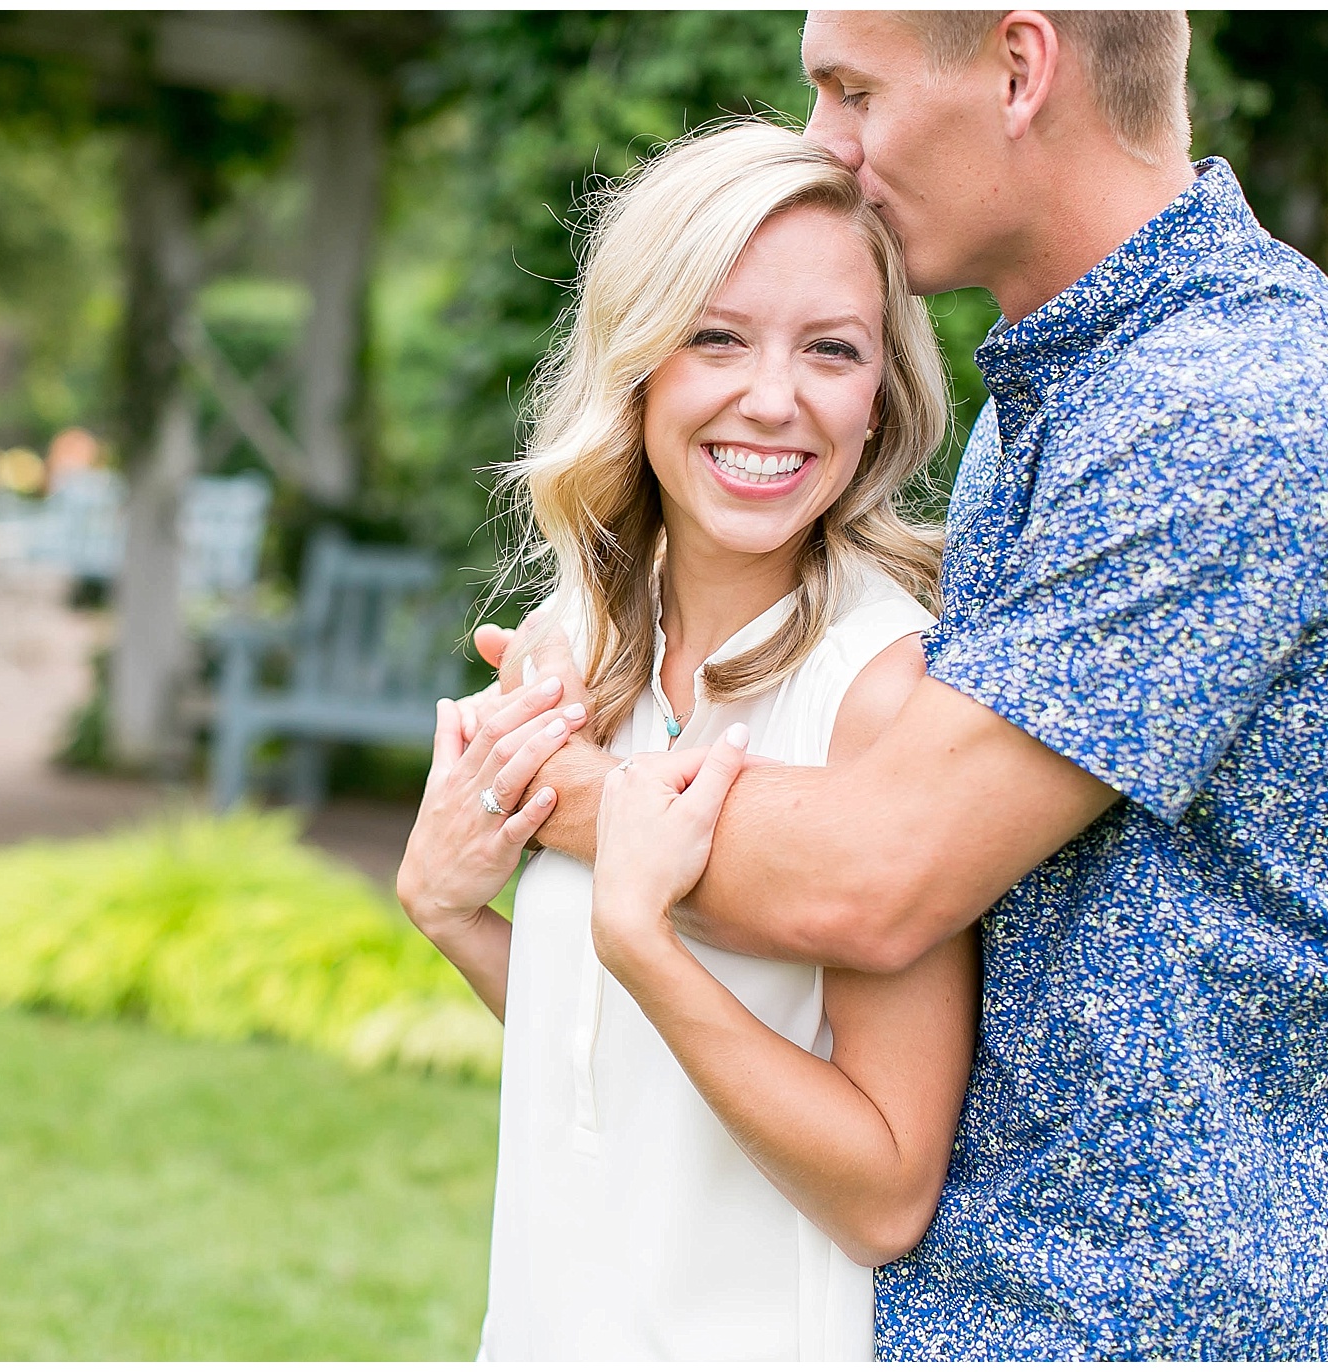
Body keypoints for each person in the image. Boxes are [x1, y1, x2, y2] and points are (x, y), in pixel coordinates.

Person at [470, 10, 1328, 1360]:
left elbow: (881, 875)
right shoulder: (1068, 399)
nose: (823, 140)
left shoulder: (1231, 406)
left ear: (1021, 69)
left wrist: (547, 784)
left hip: (1149, 1324)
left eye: (852, 90)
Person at [395, 120, 979, 1359]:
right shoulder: (575, 640)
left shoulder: (881, 693)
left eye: (831, 349)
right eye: (717, 337)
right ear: (639, 362)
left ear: (880, 398)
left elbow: (883, 1191)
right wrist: (457, 920)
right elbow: (605, 1064)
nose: (773, 398)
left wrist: (646, 941)